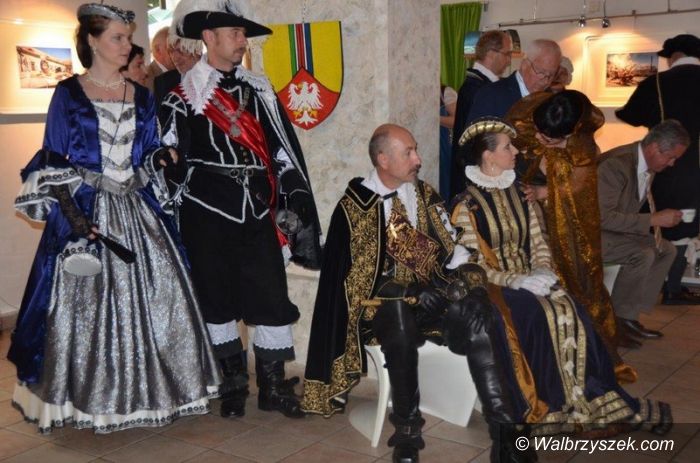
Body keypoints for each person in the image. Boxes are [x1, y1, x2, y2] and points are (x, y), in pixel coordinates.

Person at [8, 2, 220, 434]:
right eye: (117, 38)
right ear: (92, 41)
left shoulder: (141, 96)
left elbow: (146, 152)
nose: (126, 45)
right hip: (87, 211)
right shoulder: (68, 94)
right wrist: (74, 219)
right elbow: (53, 157)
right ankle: (90, 401)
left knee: (164, 295)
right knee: (80, 310)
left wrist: (161, 156)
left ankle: (155, 393)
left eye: (127, 38)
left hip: (138, 210)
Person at [302, 123, 532, 463]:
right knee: (397, 313)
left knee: (478, 315)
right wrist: (406, 290)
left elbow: (453, 251)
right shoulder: (356, 207)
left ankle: (505, 432)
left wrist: (462, 283)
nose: (418, 159)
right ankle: (407, 431)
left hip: (434, 304)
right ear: (383, 159)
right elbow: (353, 280)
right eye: (408, 153)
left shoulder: (424, 195)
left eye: (415, 151)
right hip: (379, 313)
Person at [451, 117, 672, 438]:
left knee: (573, 308)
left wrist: (542, 269)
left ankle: (590, 396)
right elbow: (471, 265)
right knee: (537, 315)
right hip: (494, 287)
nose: (516, 152)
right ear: (488, 156)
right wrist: (516, 281)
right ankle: (550, 403)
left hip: (531, 277)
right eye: (507, 147)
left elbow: (538, 240)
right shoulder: (466, 205)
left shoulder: (520, 193)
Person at [159, 0, 323, 420]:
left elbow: (281, 150)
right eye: (234, 33)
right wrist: (167, 162)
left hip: (256, 211)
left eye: (242, 34)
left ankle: (272, 387)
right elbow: (167, 151)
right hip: (205, 212)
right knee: (217, 300)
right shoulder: (181, 96)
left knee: (270, 297)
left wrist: (294, 190)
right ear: (209, 38)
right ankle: (232, 384)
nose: (241, 40)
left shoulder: (259, 90)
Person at [505, 91, 639, 378]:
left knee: (570, 283)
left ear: (571, 133)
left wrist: (544, 191)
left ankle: (573, 354)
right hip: (524, 214)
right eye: (538, 131)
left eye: (548, 138)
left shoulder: (583, 152)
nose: (538, 138)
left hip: (561, 228)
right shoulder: (527, 115)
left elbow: (578, 195)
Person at [616, 34, 700, 305]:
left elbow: (629, 115)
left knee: (657, 223)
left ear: (674, 56)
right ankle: (673, 288)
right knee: (687, 226)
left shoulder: (656, 83)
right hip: (697, 168)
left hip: (663, 165)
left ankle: (653, 289)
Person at [598, 120, 689, 345]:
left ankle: (630, 317)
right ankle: (617, 322)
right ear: (655, 148)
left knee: (666, 249)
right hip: (591, 234)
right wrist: (653, 219)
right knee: (641, 254)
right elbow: (602, 218)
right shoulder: (615, 166)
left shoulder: (645, 164)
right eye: (671, 157)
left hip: (614, 231)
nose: (672, 164)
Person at [450, 30, 513, 200]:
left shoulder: (479, 86)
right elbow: (476, 142)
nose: (509, 61)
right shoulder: (479, 90)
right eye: (507, 54)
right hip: (477, 173)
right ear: (491, 54)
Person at [466, 39, 561, 126]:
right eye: (541, 72)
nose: (546, 81)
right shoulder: (490, 95)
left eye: (551, 75)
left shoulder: (551, 101)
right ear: (524, 65)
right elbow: (474, 137)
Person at [154, 0, 203, 106]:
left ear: (197, 50)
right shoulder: (163, 82)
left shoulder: (215, 74)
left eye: (181, 50)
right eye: (171, 51)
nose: (175, 57)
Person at [439, 84, 457, 199]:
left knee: (445, 180)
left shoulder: (445, 92)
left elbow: (456, 120)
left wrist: (434, 118)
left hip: (444, 145)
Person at [144, 26, 175, 91]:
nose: (178, 53)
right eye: (172, 47)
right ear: (158, 50)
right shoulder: (145, 78)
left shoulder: (184, 71)